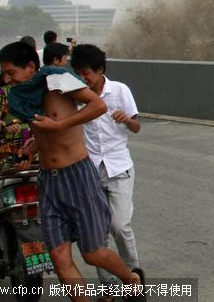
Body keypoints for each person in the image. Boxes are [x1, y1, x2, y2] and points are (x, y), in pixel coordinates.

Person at [0, 42, 145, 302]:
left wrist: (60, 124)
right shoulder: (27, 95)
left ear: (31, 67)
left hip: (78, 176)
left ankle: (131, 279)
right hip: (49, 182)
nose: (6, 79)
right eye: (4, 74)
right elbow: (44, 130)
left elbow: (98, 106)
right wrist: (29, 151)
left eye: (10, 73)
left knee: (93, 253)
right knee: (59, 258)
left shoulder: (59, 78)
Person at [70, 44, 142, 302]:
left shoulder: (120, 90)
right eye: (78, 73)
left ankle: (134, 276)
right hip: (89, 171)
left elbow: (136, 127)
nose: (83, 78)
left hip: (119, 166)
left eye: (86, 73)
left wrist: (126, 120)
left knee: (120, 226)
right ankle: (109, 286)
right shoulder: (76, 96)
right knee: (97, 233)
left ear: (100, 70)